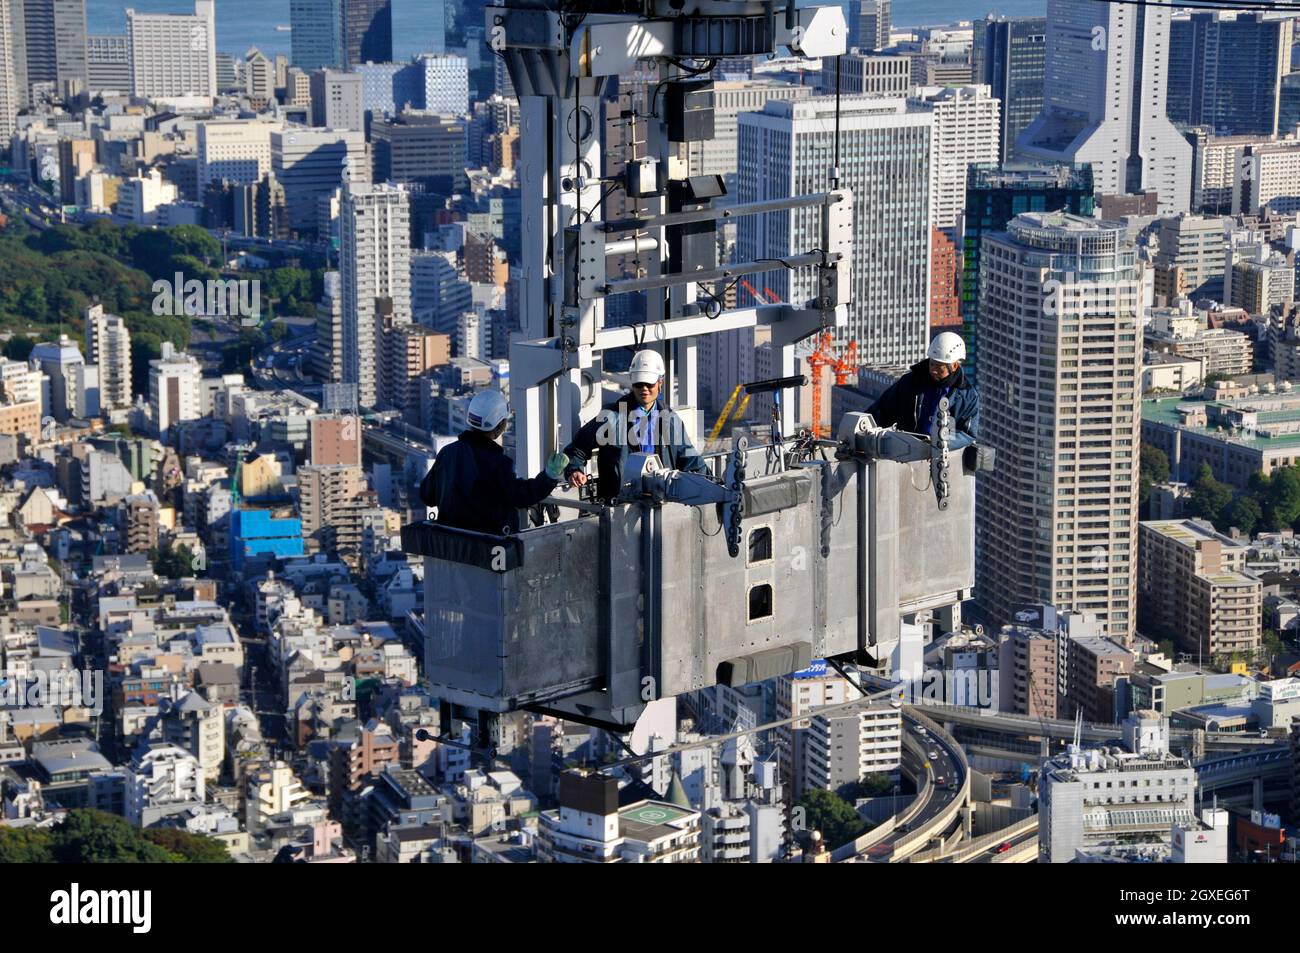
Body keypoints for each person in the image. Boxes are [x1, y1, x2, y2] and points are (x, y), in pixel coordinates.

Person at [563, 349, 710, 501]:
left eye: (649, 383)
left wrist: (713, 485)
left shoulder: (670, 421)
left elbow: (691, 460)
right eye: (639, 384)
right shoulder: (611, 417)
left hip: (661, 503)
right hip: (618, 506)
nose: (644, 389)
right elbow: (577, 448)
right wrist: (574, 470)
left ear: (660, 382)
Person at [419, 389, 569, 535]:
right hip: (489, 548)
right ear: (499, 426)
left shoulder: (447, 453)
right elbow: (521, 496)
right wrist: (550, 475)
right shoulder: (498, 463)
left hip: (452, 545)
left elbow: (427, 495)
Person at [867, 331, 978, 449]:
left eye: (940, 367)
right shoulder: (911, 383)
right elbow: (882, 410)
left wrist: (942, 443)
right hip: (906, 451)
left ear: (954, 366)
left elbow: (967, 433)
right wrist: (863, 429)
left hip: (940, 458)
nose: (934, 370)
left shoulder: (967, 396)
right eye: (932, 364)